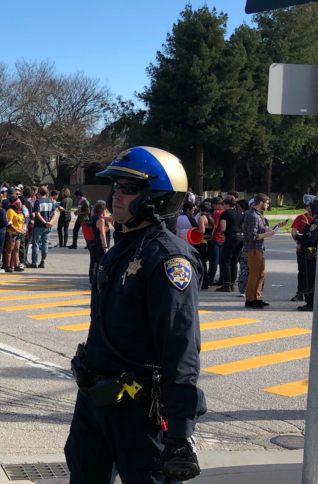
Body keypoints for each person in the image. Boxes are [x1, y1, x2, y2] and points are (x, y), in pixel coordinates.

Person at [65, 146, 204, 483]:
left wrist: (180, 430)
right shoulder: (121, 248)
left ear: (157, 196)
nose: (117, 195)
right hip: (94, 401)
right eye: (117, 186)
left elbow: (180, 345)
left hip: (138, 411)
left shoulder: (168, 260)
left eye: (130, 188)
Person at [243, 194, 277, 308]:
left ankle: (256, 297)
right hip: (253, 249)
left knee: (261, 273)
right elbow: (253, 236)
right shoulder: (252, 215)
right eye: (267, 203)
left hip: (258, 248)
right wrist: (269, 233)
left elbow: (260, 230)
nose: (268, 205)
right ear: (261, 203)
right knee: (254, 274)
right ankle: (250, 299)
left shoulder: (257, 215)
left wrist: (271, 228)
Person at [216, 198, 244, 293]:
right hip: (241, 236)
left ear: (227, 205)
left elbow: (223, 228)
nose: (222, 207)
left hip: (232, 236)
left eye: (223, 205)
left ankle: (226, 284)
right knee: (234, 260)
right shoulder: (240, 213)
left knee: (226, 260)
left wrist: (222, 233)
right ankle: (232, 283)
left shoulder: (225, 213)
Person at [295, 198, 318, 311]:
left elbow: (309, 237)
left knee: (310, 277)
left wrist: (299, 237)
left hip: (311, 253)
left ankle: (310, 303)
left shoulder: (315, 223)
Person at [291, 202, 315, 303]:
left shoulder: (315, 220)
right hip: (303, 249)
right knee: (302, 272)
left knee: (312, 273)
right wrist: (298, 242)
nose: (311, 209)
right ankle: (300, 293)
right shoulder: (300, 217)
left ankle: (311, 294)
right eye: (309, 207)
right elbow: (294, 232)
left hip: (313, 250)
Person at [85, 201, 110, 283]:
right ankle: (99, 280)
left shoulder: (92, 218)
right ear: (103, 210)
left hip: (91, 242)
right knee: (101, 263)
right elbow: (102, 234)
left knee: (93, 263)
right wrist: (106, 246)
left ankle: (92, 281)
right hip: (99, 244)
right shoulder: (101, 220)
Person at [30, 187, 54, 268]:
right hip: (48, 225)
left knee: (36, 243)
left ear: (39, 193)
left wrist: (45, 222)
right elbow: (54, 213)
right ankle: (43, 260)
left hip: (39, 225)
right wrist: (50, 222)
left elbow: (37, 214)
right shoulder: (50, 201)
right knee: (45, 243)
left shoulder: (38, 201)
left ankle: (34, 262)